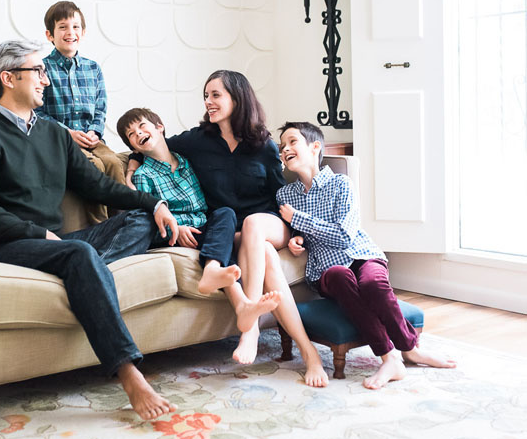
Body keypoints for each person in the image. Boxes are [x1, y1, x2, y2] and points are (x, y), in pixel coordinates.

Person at [0, 39, 180, 420]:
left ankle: (86, 277)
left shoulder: (54, 134)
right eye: (37, 72)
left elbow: (98, 187)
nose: (46, 80)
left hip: (56, 246)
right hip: (2, 246)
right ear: (8, 78)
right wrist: (36, 233)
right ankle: (128, 373)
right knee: (78, 253)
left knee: (139, 222)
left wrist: (153, 203)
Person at [126, 71, 328, 387]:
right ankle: (309, 353)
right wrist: (130, 167)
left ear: (237, 96)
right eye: (206, 96)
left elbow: (280, 194)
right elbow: (151, 147)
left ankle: (249, 328)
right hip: (232, 231)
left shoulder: (264, 145)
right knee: (261, 251)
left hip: (271, 223)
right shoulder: (197, 141)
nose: (208, 102)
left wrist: (298, 231)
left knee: (254, 225)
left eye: (216, 95)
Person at [276, 121, 457, 389]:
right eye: (282, 146)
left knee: (373, 283)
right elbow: (294, 232)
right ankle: (389, 356)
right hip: (327, 269)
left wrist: (300, 220)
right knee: (340, 277)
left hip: (362, 253)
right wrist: (296, 239)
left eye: (292, 142)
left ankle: (410, 349)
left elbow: (344, 235)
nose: (285, 149)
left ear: (315, 147)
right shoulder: (285, 195)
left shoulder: (341, 184)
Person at [117, 107, 281, 332]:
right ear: (132, 146)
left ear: (159, 127)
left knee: (225, 214)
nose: (138, 133)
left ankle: (234, 294)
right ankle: (228, 287)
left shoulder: (186, 161)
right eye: (131, 135)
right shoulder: (143, 175)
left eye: (141, 126)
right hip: (173, 230)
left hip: (202, 223)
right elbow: (147, 216)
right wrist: (178, 226)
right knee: (221, 243)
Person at [35, 0, 124, 223]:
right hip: (63, 141)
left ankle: (125, 221)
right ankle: (102, 227)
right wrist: (68, 134)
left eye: (75, 27)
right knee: (93, 166)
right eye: (63, 27)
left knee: (112, 162)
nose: (70, 32)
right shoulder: (42, 69)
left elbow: (100, 107)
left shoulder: (93, 68)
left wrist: (95, 131)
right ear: (50, 35)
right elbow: (38, 113)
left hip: (92, 138)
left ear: (82, 33)